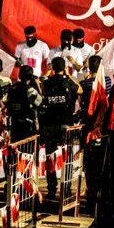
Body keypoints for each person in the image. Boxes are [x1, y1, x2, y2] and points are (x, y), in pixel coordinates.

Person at [40, 57, 81, 199]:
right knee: (67, 158)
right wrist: (68, 75)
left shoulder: (47, 83)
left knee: (51, 157)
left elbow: (42, 85)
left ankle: (51, 189)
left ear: (52, 68)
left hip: (50, 125)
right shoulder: (69, 82)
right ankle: (66, 188)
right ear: (65, 68)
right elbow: (80, 89)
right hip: (66, 124)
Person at [79, 55, 111, 216]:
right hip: (101, 130)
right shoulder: (107, 82)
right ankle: (96, 203)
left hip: (89, 128)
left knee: (90, 168)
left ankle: (91, 202)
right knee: (99, 168)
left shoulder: (84, 84)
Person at [6, 65, 42, 142]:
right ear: (31, 76)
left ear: (19, 75)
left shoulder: (12, 87)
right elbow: (40, 102)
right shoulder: (30, 90)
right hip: (27, 124)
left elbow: (8, 102)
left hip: (14, 123)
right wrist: (38, 86)